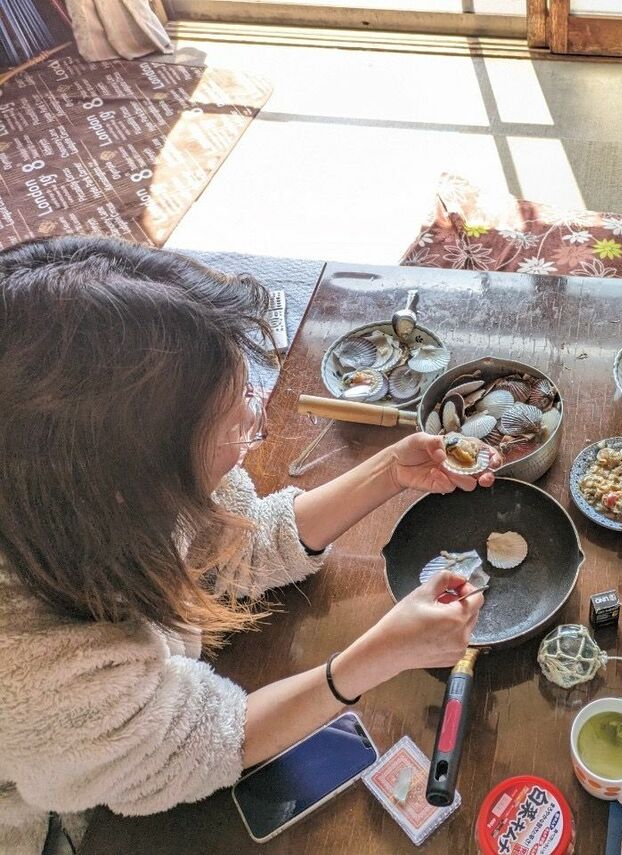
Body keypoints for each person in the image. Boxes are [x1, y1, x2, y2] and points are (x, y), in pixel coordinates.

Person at [0, 236, 494, 855]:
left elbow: (237, 542)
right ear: (134, 482)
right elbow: (192, 750)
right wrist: (377, 656)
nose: (251, 431)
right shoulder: (34, 670)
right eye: (237, 424)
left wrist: (387, 471)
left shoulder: (93, 484)